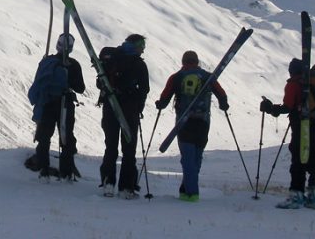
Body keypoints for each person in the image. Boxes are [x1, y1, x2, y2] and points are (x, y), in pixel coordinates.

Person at [154, 50, 229, 202]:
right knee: (196, 158)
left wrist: (160, 104)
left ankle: (192, 194)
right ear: (197, 61)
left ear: (183, 62)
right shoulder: (208, 77)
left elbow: (165, 98)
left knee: (187, 157)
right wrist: (224, 105)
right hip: (203, 122)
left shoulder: (176, 77)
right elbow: (222, 94)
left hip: (184, 122)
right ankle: (185, 189)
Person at [260, 58, 315, 209]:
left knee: (298, 162)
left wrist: (270, 108)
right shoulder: (313, 85)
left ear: (292, 71)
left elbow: (288, 107)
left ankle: (296, 196)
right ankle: (314, 197)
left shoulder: (293, 84)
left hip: (301, 128)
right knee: (312, 161)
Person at [98, 34, 149, 198]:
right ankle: (126, 187)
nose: (143, 49)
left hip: (110, 107)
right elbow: (144, 89)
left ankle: (108, 183)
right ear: (135, 45)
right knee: (129, 149)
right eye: (141, 45)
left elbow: (100, 82)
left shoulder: (111, 58)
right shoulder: (139, 64)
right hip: (129, 109)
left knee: (110, 146)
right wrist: (138, 107)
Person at [31, 33, 85, 181]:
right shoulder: (73, 64)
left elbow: (38, 81)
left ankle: (43, 170)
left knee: (44, 136)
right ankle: (67, 172)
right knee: (66, 137)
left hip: (47, 102)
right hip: (65, 103)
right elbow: (80, 88)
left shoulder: (47, 61)